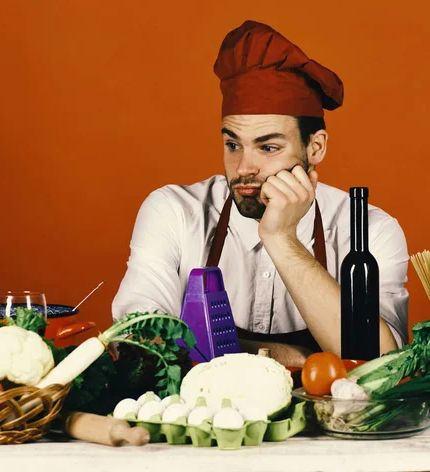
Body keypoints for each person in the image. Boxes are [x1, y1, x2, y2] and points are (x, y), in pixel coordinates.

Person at [111, 20, 409, 357]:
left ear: (316, 148)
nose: (243, 168)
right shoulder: (174, 212)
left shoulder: (370, 231)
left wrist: (281, 239)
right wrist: (289, 357)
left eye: (268, 148)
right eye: (233, 144)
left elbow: (384, 364)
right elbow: (137, 342)